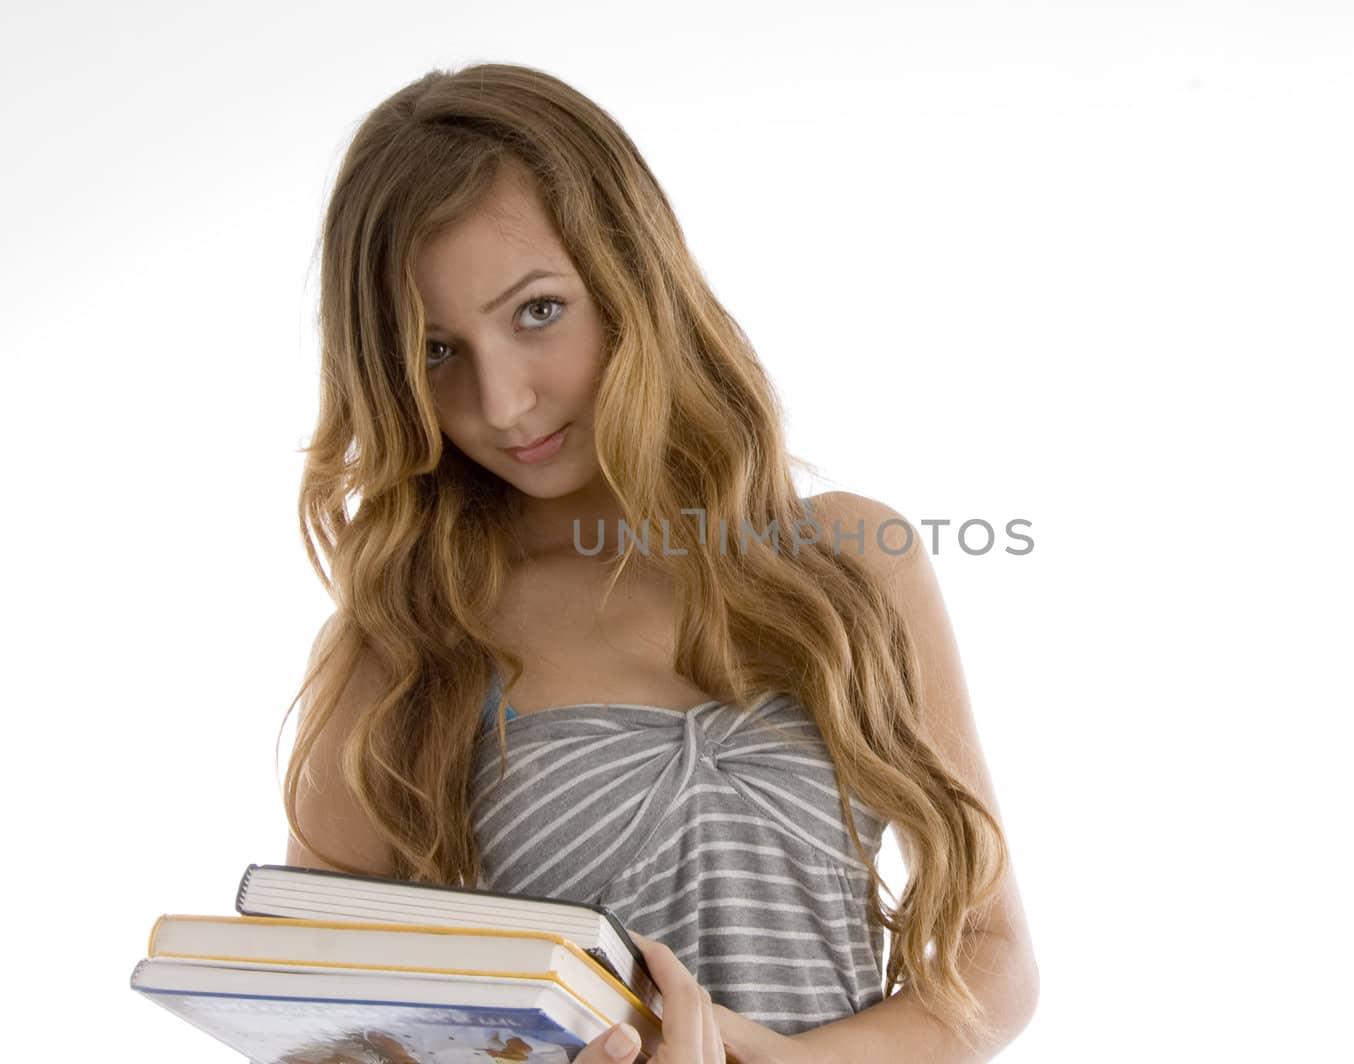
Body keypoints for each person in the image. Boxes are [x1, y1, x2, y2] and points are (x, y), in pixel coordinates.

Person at [281, 62, 1038, 1064]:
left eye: (537, 312)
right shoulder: (413, 641)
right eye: (434, 351)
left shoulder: (853, 563)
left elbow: (993, 957)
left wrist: (787, 1059)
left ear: (633, 275)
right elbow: (316, 1026)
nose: (502, 401)